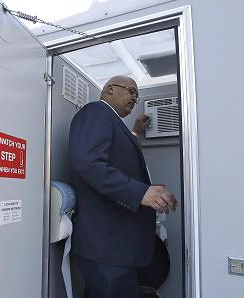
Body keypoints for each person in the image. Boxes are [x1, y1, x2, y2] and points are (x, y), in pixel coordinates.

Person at [69, 75, 178, 298]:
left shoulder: (112, 121)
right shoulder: (96, 111)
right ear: (110, 89)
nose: (135, 99)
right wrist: (140, 192)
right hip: (106, 244)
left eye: (137, 96)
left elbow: (116, 158)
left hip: (117, 245)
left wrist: (135, 133)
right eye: (132, 92)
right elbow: (87, 162)